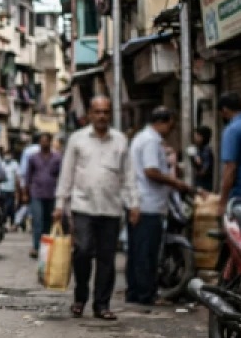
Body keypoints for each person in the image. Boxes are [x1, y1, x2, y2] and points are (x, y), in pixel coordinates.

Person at [53, 96, 138, 321]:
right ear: (90, 114)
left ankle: (102, 304)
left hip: (111, 209)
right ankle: (80, 297)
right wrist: (60, 203)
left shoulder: (120, 141)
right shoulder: (78, 140)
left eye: (106, 112)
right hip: (83, 206)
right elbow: (67, 172)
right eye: (98, 112)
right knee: (82, 251)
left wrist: (134, 203)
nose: (102, 116)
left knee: (107, 259)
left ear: (110, 115)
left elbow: (128, 175)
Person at [126, 107, 192, 306]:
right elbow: (151, 171)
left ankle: (136, 293)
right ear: (164, 122)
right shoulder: (150, 141)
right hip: (147, 204)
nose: (172, 128)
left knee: (138, 251)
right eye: (172, 123)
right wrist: (176, 184)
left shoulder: (143, 138)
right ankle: (145, 295)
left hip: (143, 203)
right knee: (146, 252)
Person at [22, 132, 61, 258]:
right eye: (42, 141)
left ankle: (47, 247)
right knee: (37, 220)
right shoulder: (33, 158)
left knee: (48, 222)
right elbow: (28, 176)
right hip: (36, 193)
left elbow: (61, 176)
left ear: (50, 142)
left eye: (46, 141)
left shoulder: (57, 157)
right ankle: (36, 247)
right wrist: (25, 193)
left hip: (52, 193)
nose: (44, 143)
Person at [0, 149, 20, 230]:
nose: (7, 156)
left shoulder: (15, 164)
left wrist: (17, 190)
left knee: (12, 207)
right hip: (3, 189)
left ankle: (12, 223)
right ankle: (3, 223)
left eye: (9, 154)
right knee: (4, 207)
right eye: (6, 154)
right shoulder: (1, 164)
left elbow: (17, 177)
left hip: (11, 190)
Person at [191, 126, 215, 192]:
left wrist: (199, 164)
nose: (195, 138)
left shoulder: (206, 150)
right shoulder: (198, 149)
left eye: (197, 136)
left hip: (205, 185)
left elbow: (204, 170)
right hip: (199, 183)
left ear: (202, 137)